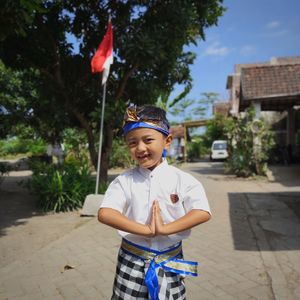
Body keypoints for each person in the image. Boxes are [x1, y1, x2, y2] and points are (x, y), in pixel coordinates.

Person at [98, 105, 211, 300]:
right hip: (131, 260)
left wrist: (165, 229)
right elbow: (106, 213)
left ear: (167, 141)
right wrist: (146, 230)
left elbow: (202, 211)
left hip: (170, 258)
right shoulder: (124, 181)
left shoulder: (182, 179)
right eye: (132, 142)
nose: (140, 148)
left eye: (148, 140)